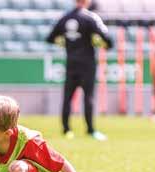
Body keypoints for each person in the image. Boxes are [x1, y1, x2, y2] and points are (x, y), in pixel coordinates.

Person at [46, 0, 113, 141]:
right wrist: (100, 43)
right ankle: (91, 130)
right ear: (87, 1)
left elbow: (50, 38)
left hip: (71, 63)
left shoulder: (65, 18)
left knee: (67, 98)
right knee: (88, 97)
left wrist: (65, 43)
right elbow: (107, 39)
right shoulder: (91, 17)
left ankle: (66, 130)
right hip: (87, 64)